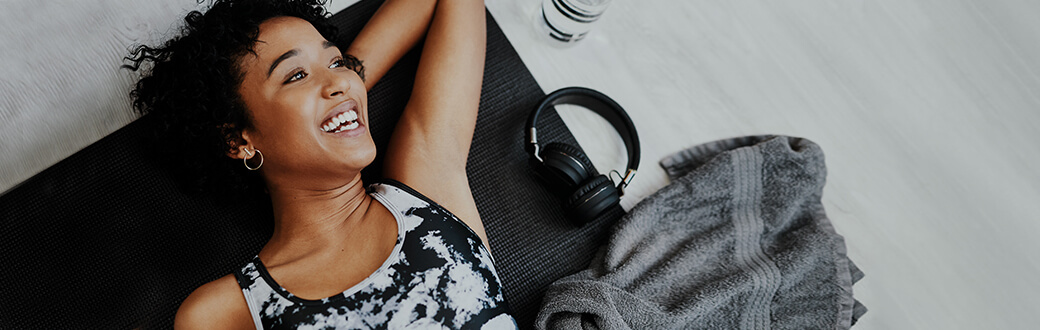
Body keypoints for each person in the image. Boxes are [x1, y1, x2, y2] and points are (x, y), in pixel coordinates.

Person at [124, 0, 514, 328]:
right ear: (238, 139)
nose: (341, 79)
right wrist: (329, 100)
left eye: (338, 61)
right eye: (294, 75)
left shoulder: (426, 184)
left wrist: (339, 91)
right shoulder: (223, 312)